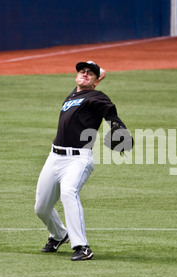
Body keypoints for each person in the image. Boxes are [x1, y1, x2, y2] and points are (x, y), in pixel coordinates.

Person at [34, 61, 132, 261]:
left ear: (96, 82)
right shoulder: (74, 94)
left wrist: (117, 126)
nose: (85, 73)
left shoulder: (96, 96)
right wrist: (95, 75)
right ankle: (60, 235)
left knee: (68, 192)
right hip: (54, 158)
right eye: (82, 71)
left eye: (90, 73)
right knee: (41, 208)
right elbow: (86, 81)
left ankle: (82, 247)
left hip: (78, 160)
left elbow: (109, 113)